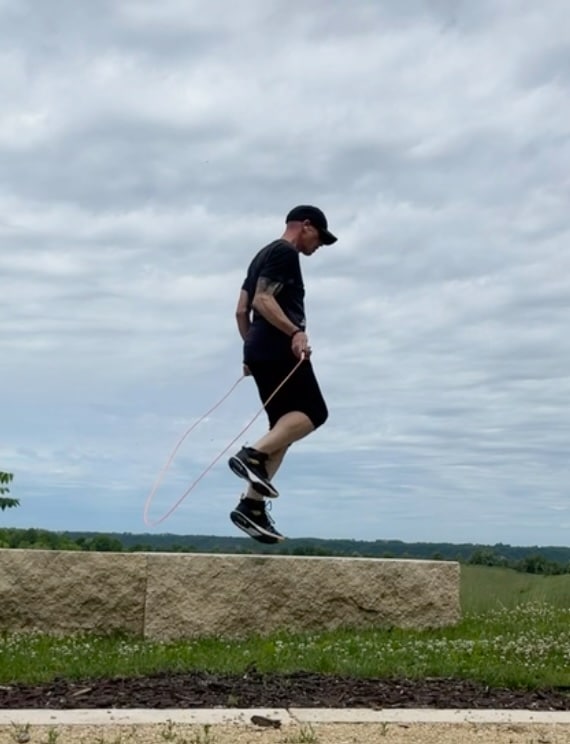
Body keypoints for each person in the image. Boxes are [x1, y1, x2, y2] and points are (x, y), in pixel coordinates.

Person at [228, 205, 338, 543]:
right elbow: (263, 300)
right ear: (305, 226)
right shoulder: (284, 252)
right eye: (319, 237)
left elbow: (240, 310)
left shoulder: (259, 256)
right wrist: (295, 333)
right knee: (314, 413)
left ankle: (252, 507)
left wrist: (251, 350)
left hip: (260, 349)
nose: (318, 246)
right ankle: (252, 456)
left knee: (285, 427)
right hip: (280, 347)